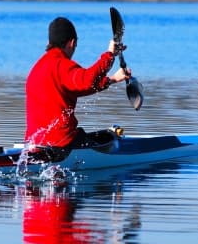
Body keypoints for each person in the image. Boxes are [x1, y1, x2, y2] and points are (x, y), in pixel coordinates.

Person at [25, 16, 129, 153]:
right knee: (109, 138)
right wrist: (109, 54)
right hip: (62, 144)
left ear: (50, 42)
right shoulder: (63, 66)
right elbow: (88, 81)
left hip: (33, 144)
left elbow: (79, 86)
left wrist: (112, 79)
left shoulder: (36, 68)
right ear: (72, 43)